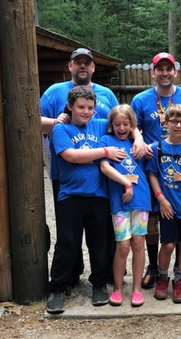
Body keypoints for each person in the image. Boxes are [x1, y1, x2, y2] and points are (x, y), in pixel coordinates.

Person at [40, 48, 120, 291]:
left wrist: (136, 140)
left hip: (100, 177)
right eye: (78, 63)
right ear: (70, 66)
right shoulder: (55, 92)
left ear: (93, 67)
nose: (82, 66)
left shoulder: (106, 95)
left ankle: (102, 276)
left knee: (101, 231)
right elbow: (32, 118)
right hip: (64, 176)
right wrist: (57, 122)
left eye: (87, 63)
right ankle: (69, 276)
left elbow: (121, 123)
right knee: (68, 232)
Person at [45, 86, 128, 315]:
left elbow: (125, 121)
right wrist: (104, 151)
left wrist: (138, 139)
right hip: (70, 196)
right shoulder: (62, 129)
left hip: (99, 196)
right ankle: (57, 288)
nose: (86, 112)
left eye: (90, 107)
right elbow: (70, 155)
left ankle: (99, 284)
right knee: (67, 243)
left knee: (100, 243)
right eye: (81, 107)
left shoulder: (100, 124)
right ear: (70, 106)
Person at [131, 52, 181, 290]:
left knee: (180, 231)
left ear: (175, 72)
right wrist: (140, 143)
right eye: (159, 69)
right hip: (152, 163)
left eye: (168, 69)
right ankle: (155, 267)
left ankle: (178, 274)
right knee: (152, 220)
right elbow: (135, 128)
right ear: (153, 72)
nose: (164, 73)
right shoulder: (141, 99)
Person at [145, 104, 181, 304]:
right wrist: (160, 198)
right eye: (174, 121)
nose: (178, 125)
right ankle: (162, 277)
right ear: (165, 123)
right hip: (167, 205)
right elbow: (152, 174)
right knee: (168, 244)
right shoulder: (156, 148)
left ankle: (179, 278)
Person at [99, 105, 152, 308]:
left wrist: (143, 144)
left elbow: (149, 165)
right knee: (122, 245)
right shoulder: (107, 142)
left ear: (132, 125)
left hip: (141, 200)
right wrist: (125, 183)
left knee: (139, 243)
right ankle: (118, 288)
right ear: (111, 125)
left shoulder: (137, 144)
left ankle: (137, 289)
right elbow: (104, 167)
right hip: (120, 200)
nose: (121, 127)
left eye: (126, 124)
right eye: (117, 124)